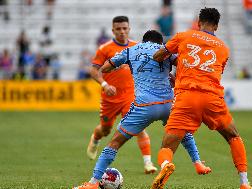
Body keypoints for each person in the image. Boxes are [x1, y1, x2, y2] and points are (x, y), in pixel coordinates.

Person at [73, 30, 211, 189]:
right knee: (183, 131)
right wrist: (171, 77)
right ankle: (198, 163)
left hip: (144, 105)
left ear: (143, 41)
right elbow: (184, 65)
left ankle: (93, 183)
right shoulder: (165, 50)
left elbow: (104, 68)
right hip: (168, 103)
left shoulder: (130, 50)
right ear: (160, 42)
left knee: (115, 142)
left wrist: (122, 68)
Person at [151, 8, 252, 189]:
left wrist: (176, 62)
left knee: (168, 144)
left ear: (198, 22)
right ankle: (244, 183)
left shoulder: (183, 36)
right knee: (233, 136)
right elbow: (213, 72)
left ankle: (166, 165)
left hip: (186, 97)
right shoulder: (223, 48)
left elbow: (158, 56)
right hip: (212, 98)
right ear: (217, 26)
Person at [86, 16, 157, 174]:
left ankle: (148, 164)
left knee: (138, 127)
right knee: (105, 130)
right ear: (113, 30)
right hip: (109, 98)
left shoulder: (136, 47)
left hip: (130, 96)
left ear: (129, 29)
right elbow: (93, 71)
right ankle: (95, 138)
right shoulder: (105, 49)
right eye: (118, 29)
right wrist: (104, 84)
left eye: (125, 28)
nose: (122, 32)